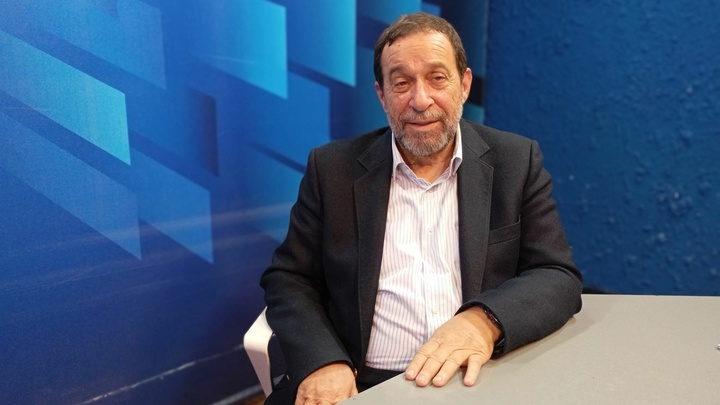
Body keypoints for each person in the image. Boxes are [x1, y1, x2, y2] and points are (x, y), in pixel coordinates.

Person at [260, 12, 582, 405]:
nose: (420, 100)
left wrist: (483, 321)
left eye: (437, 78)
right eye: (401, 83)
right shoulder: (332, 171)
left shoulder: (515, 161)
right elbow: (290, 278)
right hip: (359, 382)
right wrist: (323, 361)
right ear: (382, 95)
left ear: (464, 85)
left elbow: (556, 274)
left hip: (477, 377)